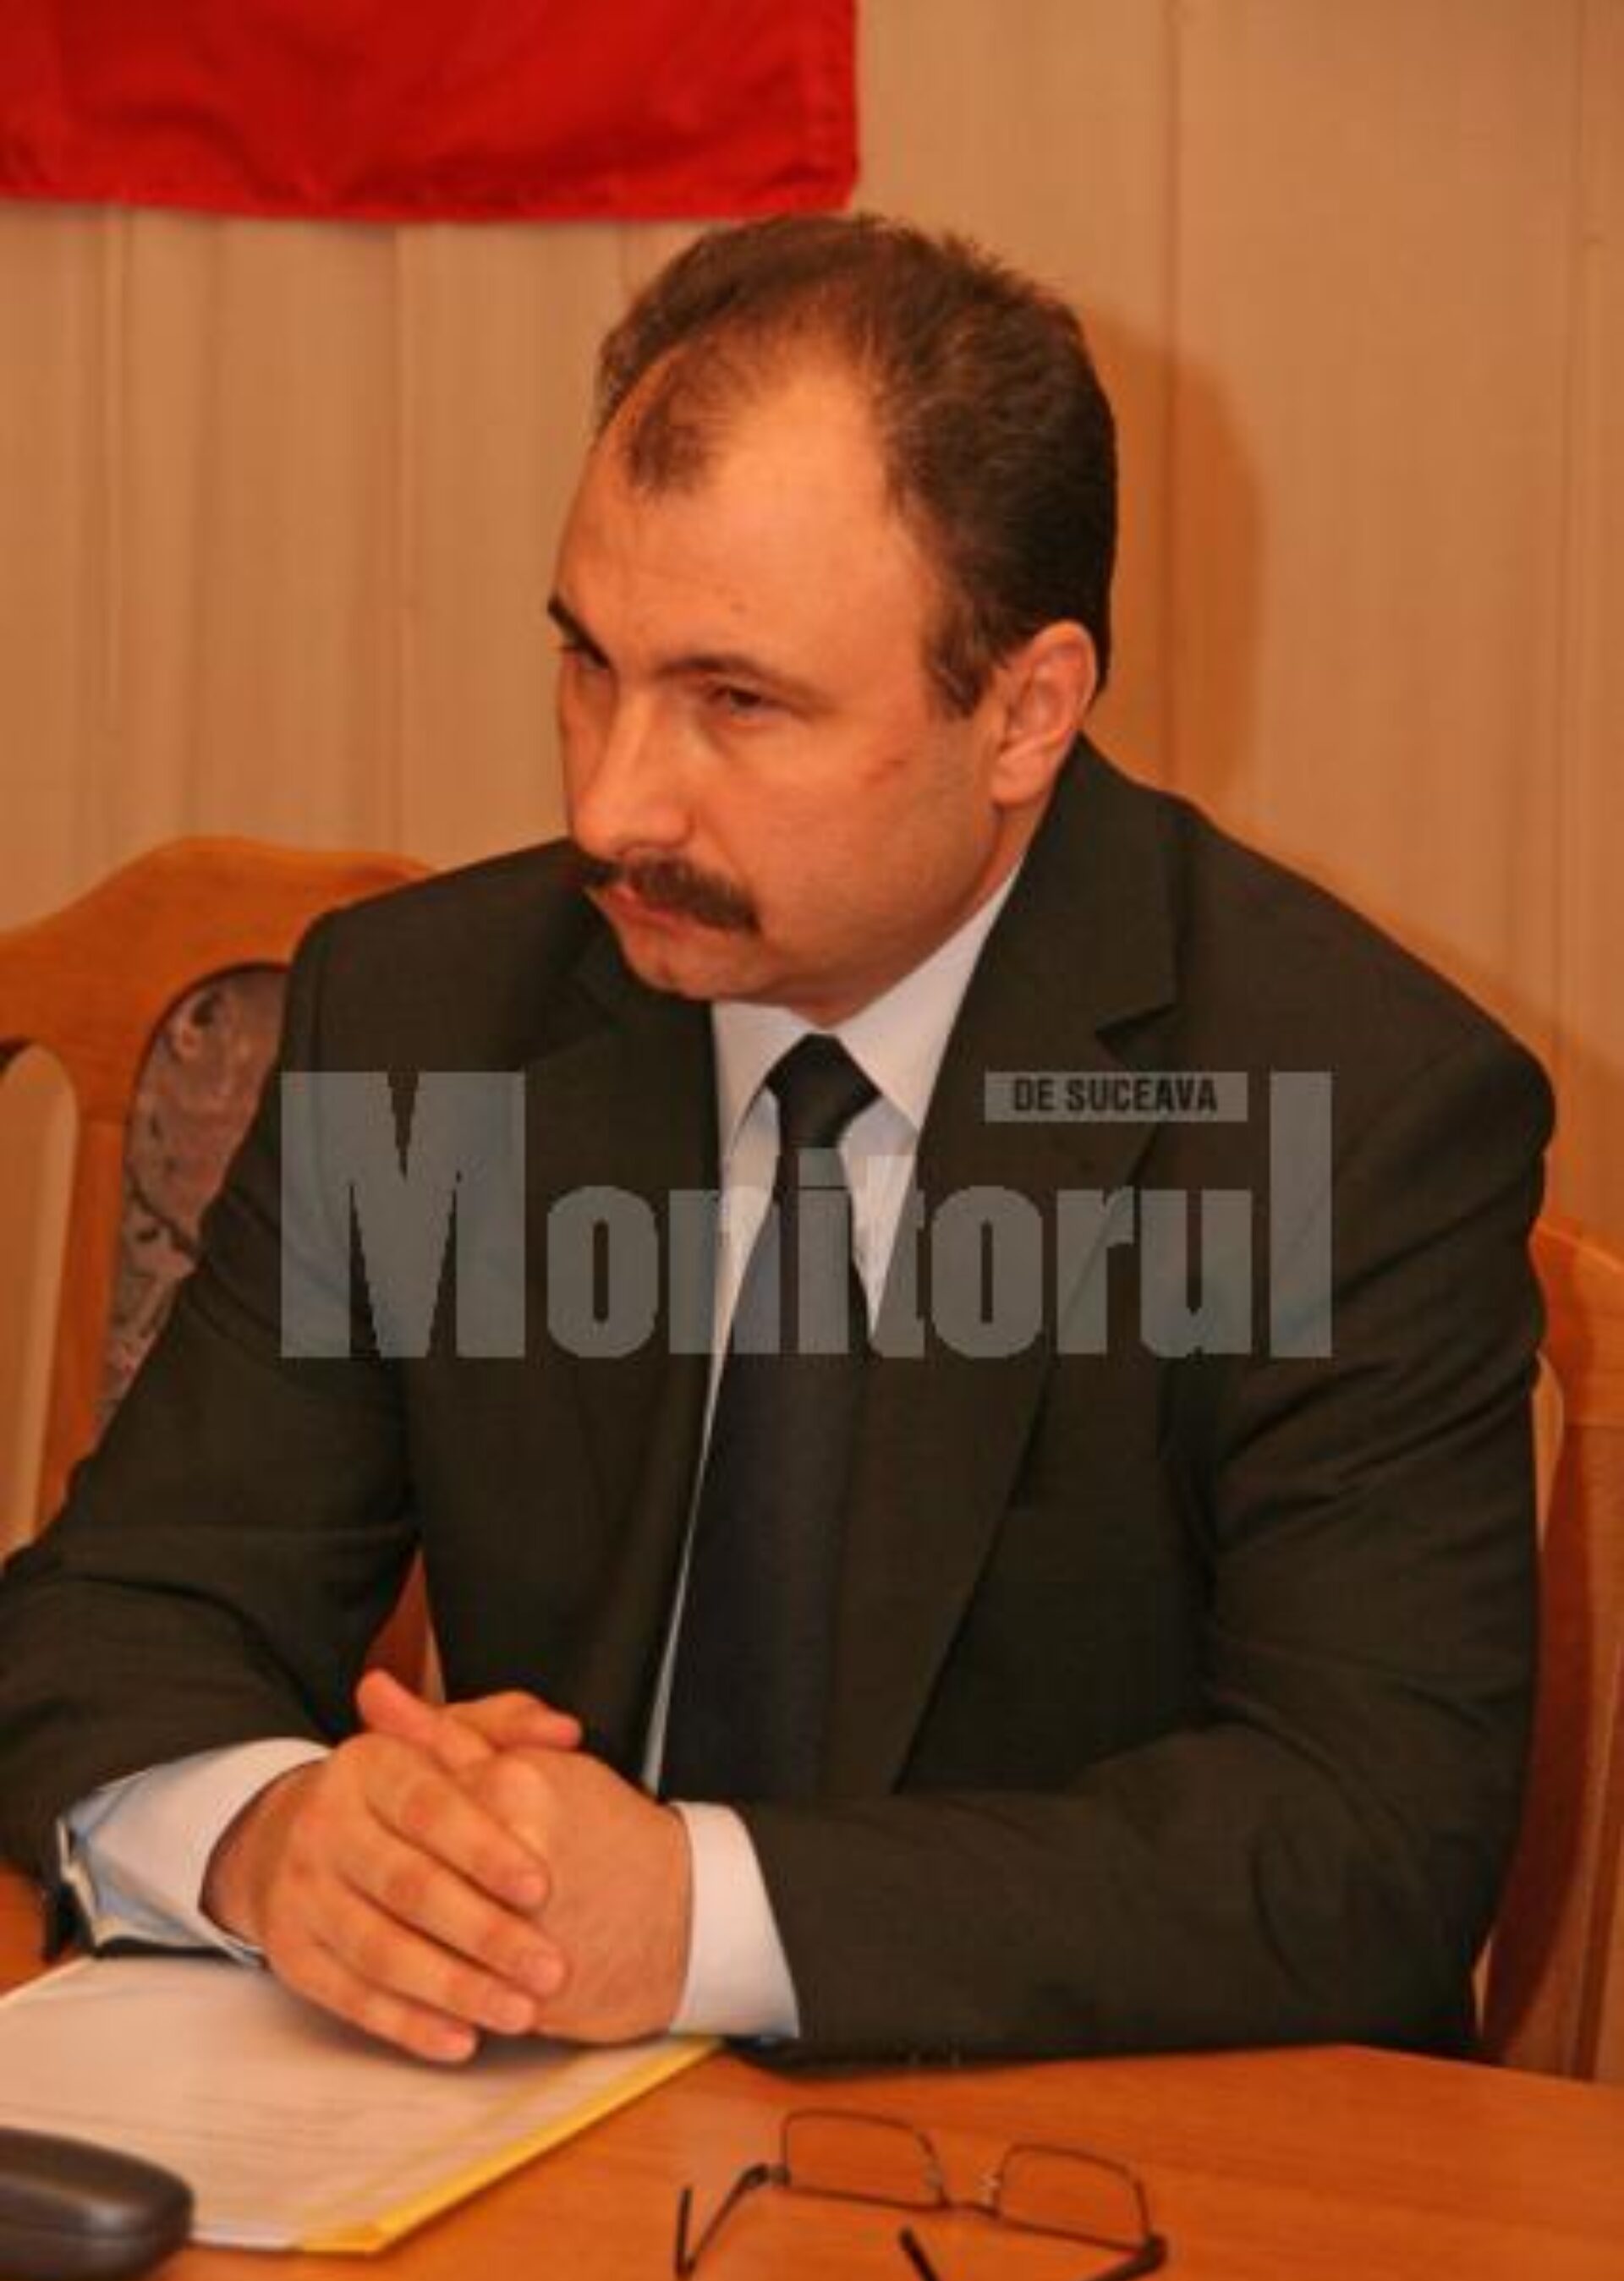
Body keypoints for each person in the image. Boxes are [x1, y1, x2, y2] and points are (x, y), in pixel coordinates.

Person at [0, 214, 1551, 2070]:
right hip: (510, 2150)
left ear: (1026, 712)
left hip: (1083, 2170)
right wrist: (270, 1837)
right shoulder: (430, 1021)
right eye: (590, 662)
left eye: (735, 702)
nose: (611, 805)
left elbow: (1365, 1839)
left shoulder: (1338, 1106)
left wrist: (699, 1916)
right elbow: (119, 1608)